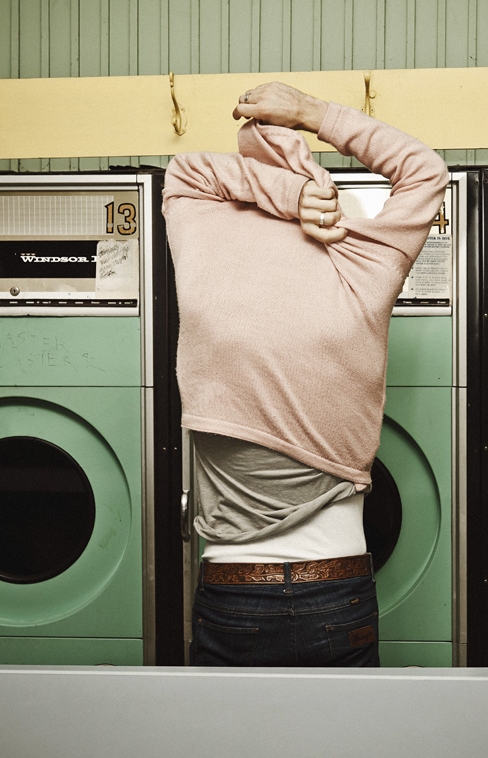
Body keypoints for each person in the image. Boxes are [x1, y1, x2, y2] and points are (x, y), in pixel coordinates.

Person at [162, 81, 448, 668]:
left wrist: (284, 194)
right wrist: (314, 114)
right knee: (343, 757)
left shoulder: (203, 248)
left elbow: (186, 171)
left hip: (231, 588)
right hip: (336, 588)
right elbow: (424, 170)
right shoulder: (365, 259)